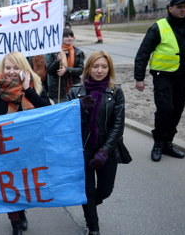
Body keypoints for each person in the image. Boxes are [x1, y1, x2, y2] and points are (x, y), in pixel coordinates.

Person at [0, 51, 51, 235]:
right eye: (8, 67)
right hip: (2, 148)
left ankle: (22, 212)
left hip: (27, 148)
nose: (11, 71)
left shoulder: (34, 85)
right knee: (7, 186)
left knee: (22, 185)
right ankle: (15, 221)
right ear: (2, 68)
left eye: (16, 67)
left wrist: (28, 89)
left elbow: (48, 110)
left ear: (23, 69)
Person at [68, 50, 127, 235]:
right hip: (82, 150)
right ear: (88, 68)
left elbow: (118, 125)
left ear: (109, 68)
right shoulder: (75, 92)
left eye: (103, 66)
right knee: (87, 192)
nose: (99, 70)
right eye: (95, 66)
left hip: (106, 149)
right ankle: (93, 227)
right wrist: (78, 108)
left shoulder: (115, 91)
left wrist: (105, 151)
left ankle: (91, 203)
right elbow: (65, 124)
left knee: (104, 190)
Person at [134, 0, 185, 162]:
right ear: (170, 8)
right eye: (179, 6)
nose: (183, 9)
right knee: (165, 110)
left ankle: (168, 143)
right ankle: (158, 143)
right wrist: (139, 78)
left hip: (182, 76)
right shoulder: (158, 27)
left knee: (177, 110)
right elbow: (143, 53)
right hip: (162, 76)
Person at [46, 28, 85, 103]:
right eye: (66, 36)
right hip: (58, 90)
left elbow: (80, 70)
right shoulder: (54, 52)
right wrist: (57, 61)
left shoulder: (78, 52)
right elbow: (49, 70)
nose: (69, 38)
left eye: (71, 36)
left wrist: (67, 70)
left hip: (74, 87)